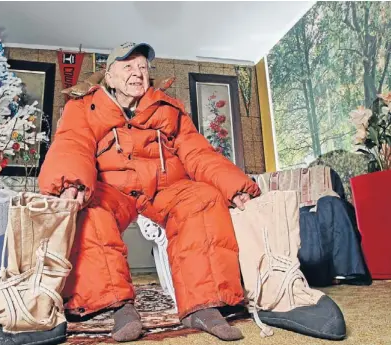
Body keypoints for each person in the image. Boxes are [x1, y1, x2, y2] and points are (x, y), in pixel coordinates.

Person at [38, 42, 261, 342]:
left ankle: (204, 304)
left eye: (142, 67)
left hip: (164, 188)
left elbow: (199, 154)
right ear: (110, 76)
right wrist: (72, 184)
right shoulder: (83, 108)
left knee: (203, 199)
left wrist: (236, 187)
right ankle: (116, 305)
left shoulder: (169, 109)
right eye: (128, 66)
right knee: (90, 209)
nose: (137, 73)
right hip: (112, 189)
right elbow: (72, 145)